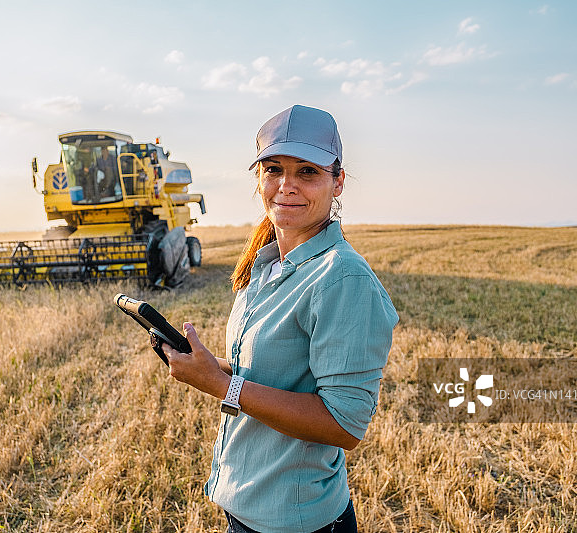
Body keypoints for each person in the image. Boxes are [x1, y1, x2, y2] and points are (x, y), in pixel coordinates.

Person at [162, 105, 399, 532]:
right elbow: (276, 375)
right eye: (273, 169)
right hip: (248, 505)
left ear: (337, 181)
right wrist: (209, 366)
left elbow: (344, 424)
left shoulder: (343, 278)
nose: (286, 185)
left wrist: (223, 386)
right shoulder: (266, 264)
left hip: (297, 522)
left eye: (307, 171)